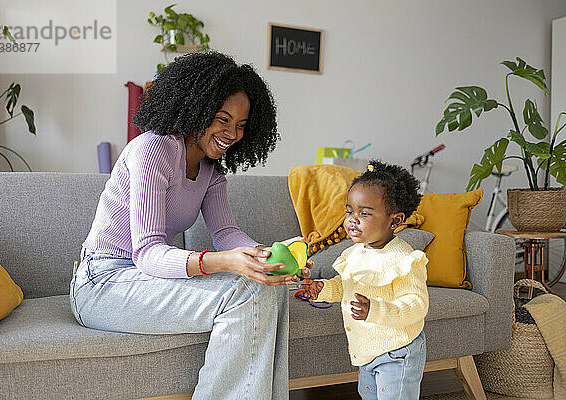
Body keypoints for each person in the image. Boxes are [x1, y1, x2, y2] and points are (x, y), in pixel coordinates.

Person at [70, 51, 309, 400]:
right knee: (242, 289)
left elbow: (226, 234)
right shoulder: (152, 150)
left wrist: (271, 257)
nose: (232, 133)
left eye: (241, 125)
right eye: (222, 119)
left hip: (144, 279)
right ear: (196, 108)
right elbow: (148, 253)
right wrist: (227, 261)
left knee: (266, 285)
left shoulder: (212, 172)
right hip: (103, 283)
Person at [300, 160, 429, 400]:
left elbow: (416, 305)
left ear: (395, 220)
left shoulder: (404, 259)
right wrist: (323, 289)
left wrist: (376, 310)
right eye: (350, 211)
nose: (352, 219)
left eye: (365, 213)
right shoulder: (354, 253)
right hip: (366, 351)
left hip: (397, 352)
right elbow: (345, 286)